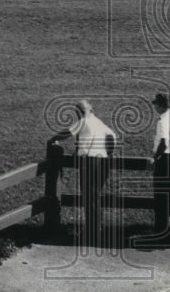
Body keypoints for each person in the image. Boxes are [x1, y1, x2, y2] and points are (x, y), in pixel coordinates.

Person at [48, 99, 118, 246]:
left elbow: (67, 133)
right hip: (103, 162)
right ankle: (96, 230)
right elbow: (112, 137)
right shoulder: (99, 123)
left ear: (79, 112)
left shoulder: (83, 121)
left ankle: (91, 233)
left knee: (88, 197)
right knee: (95, 197)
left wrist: (52, 139)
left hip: (90, 162)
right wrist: (108, 152)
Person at [149, 93, 170, 245]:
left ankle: (161, 235)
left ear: (160, 105)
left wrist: (155, 157)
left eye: (155, 103)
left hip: (165, 161)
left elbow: (163, 141)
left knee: (161, 199)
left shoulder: (162, 121)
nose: (154, 106)